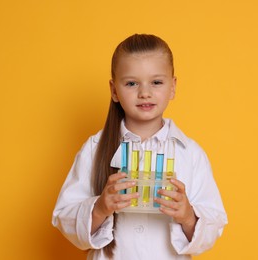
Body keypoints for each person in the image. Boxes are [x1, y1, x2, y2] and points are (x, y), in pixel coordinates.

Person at [52, 34, 227, 259]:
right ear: (114, 90)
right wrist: (100, 208)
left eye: (156, 82)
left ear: (172, 87)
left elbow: (214, 224)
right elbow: (65, 216)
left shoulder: (191, 154)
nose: (145, 92)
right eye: (131, 83)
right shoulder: (94, 148)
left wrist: (188, 217)